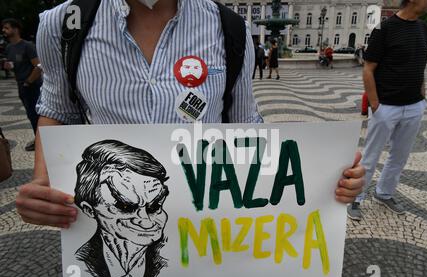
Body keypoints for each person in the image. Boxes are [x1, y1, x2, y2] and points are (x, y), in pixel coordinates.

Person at [16, 0, 364, 230]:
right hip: (111, 221)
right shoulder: (62, 25)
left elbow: (247, 128)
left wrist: (322, 174)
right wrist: (41, 183)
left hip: (204, 232)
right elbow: (56, 111)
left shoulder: (229, 27)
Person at [347, 0, 427, 221]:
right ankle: (356, 198)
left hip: (414, 104)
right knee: (371, 155)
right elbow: (368, 69)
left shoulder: (423, 28)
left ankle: (384, 192)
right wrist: (376, 105)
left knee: (400, 155)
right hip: (386, 106)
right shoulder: (384, 29)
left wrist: (422, 92)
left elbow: (420, 62)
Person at [74, 140, 169, 277]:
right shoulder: (80, 264)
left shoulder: (173, 261)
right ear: (90, 210)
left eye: (154, 207)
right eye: (125, 207)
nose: (146, 222)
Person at [2, 18, 42, 151]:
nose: (4, 30)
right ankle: (39, 138)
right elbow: (13, 64)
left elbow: (38, 66)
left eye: (7, 27)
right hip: (21, 85)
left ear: (15, 29)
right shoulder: (9, 47)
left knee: (36, 114)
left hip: (32, 86)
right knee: (30, 115)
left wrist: (28, 82)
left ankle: (41, 141)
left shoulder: (27, 46)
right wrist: (8, 66)